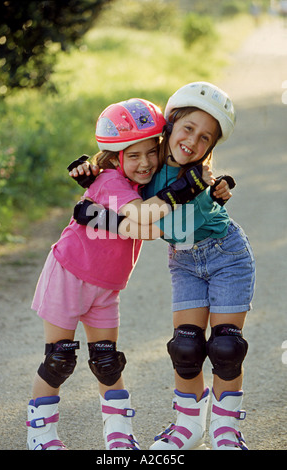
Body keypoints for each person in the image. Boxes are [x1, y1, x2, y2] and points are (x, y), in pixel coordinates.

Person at [26, 97, 219, 451]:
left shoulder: (140, 184)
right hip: (68, 276)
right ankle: (41, 434)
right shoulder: (113, 182)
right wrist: (184, 188)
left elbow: (156, 219)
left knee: (107, 361)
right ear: (116, 158)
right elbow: (146, 219)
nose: (144, 163)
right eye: (133, 156)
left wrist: (208, 188)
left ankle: (118, 434)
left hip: (105, 288)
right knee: (59, 358)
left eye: (151, 153)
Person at [72, 82, 255, 450]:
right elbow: (120, 180)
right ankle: (189, 427)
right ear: (169, 124)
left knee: (225, 349)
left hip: (227, 257)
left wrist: (98, 217)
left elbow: (162, 225)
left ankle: (225, 430)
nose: (193, 141)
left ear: (211, 148)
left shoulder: (200, 182)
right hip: (185, 262)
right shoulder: (149, 164)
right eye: (188, 128)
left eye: (205, 138)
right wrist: (93, 176)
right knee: (185, 348)